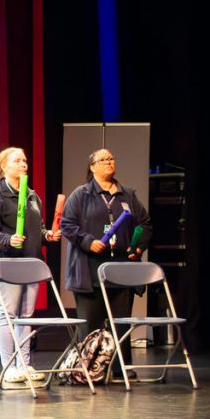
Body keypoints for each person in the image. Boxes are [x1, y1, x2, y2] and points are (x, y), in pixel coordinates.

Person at [60, 148, 152, 370]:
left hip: (121, 269)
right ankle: (88, 370)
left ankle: (119, 370)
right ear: (92, 167)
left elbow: (145, 224)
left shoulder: (127, 194)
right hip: (89, 270)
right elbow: (67, 225)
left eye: (111, 158)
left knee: (119, 325)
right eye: (102, 159)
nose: (108, 162)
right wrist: (87, 241)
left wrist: (137, 248)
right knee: (90, 324)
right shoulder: (81, 195)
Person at [0, 147, 60, 383]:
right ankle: (8, 367)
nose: (24, 163)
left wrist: (47, 235)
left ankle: (24, 364)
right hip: (7, 263)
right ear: (4, 166)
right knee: (8, 315)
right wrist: (7, 239)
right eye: (17, 160)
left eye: (25, 160)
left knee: (26, 315)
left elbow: (38, 226)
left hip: (31, 262)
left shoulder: (33, 196)